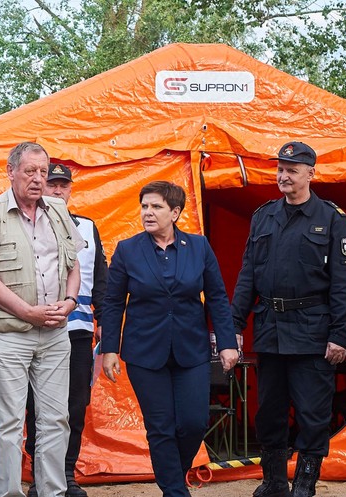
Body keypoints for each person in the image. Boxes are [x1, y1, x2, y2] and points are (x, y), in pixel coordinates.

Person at [230, 142, 346, 497]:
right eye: (280, 169)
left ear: (310, 174)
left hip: (313, 331)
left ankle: (304, 486)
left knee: (312, 414)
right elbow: (247, 276)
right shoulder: (263, 216)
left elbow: (344, 283)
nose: (283, 176)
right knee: (269, 412)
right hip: (270, 329)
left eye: (292, 170)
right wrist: (234, 326)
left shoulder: (331, 219)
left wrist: (340, 334)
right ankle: (273, 483)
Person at [99, 181, 238, 497]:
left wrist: (227, 343)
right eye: (144, 206)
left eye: (156, 207)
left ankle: (173, 476)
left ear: (175, 213)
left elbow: (217, 296)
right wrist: (109, 349)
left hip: (191, 350)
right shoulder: (127, 250)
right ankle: (175, 491)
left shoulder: (199, 246)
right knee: (160, 426)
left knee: (193, 422)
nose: (148, 213)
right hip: (144, 353)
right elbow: (113, 302)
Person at [0, 142, 83, 497]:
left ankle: (52, 493)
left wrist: (70, 301)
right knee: (8, 424)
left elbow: (74, 265)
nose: (38, 179)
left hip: (55, 334)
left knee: (56, 420)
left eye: (43, 172)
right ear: (11, 172)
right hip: (9, 335)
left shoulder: (58, 210)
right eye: (30, 171)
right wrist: (27, 312)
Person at [24, 164, 107, 497]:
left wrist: (106, 325)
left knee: (75, 405)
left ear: (71, 189)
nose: (57, 190)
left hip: (79, 332)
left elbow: (101, 280)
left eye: (63, 185)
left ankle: (66, 474)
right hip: (37, 330)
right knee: (37, 406)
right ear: (41, 186)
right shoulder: (25, 223)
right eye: (52, 184)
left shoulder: (87, 227)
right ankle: (40, 477)